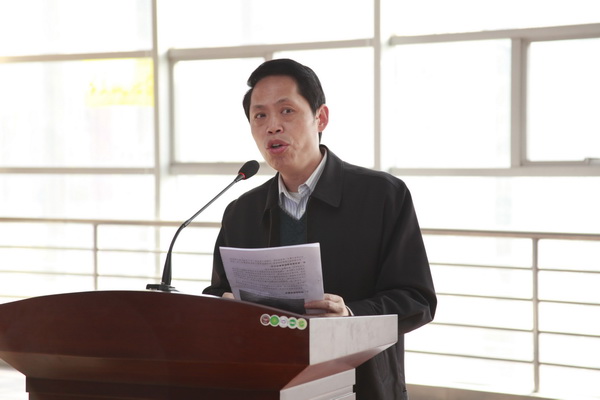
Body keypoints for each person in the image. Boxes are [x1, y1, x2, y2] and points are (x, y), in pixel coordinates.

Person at [203, 58, 437, 400]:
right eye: (260, 116)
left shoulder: (382, 195)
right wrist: (224, 304)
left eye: (286, 111)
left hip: (360, 385)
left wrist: (350, 314)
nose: (272, 127)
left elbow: (417, 300)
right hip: (269, 383)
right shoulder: (242, 212)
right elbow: (217, 294)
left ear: (321, 117)